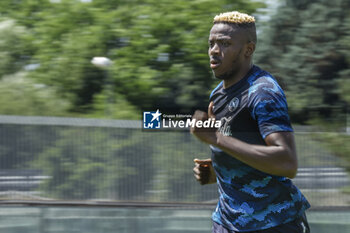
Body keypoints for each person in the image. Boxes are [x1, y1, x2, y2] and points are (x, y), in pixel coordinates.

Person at [191, 11, 311, 233]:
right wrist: (218, 170)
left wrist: (216, 139)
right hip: (227, 223)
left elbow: (286, 162)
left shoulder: (263, 92)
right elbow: (241, 147)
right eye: (211, 44)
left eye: (224, 44)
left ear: (248, 49)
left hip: (274, 224)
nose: (214, 51)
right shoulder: (217, 95)